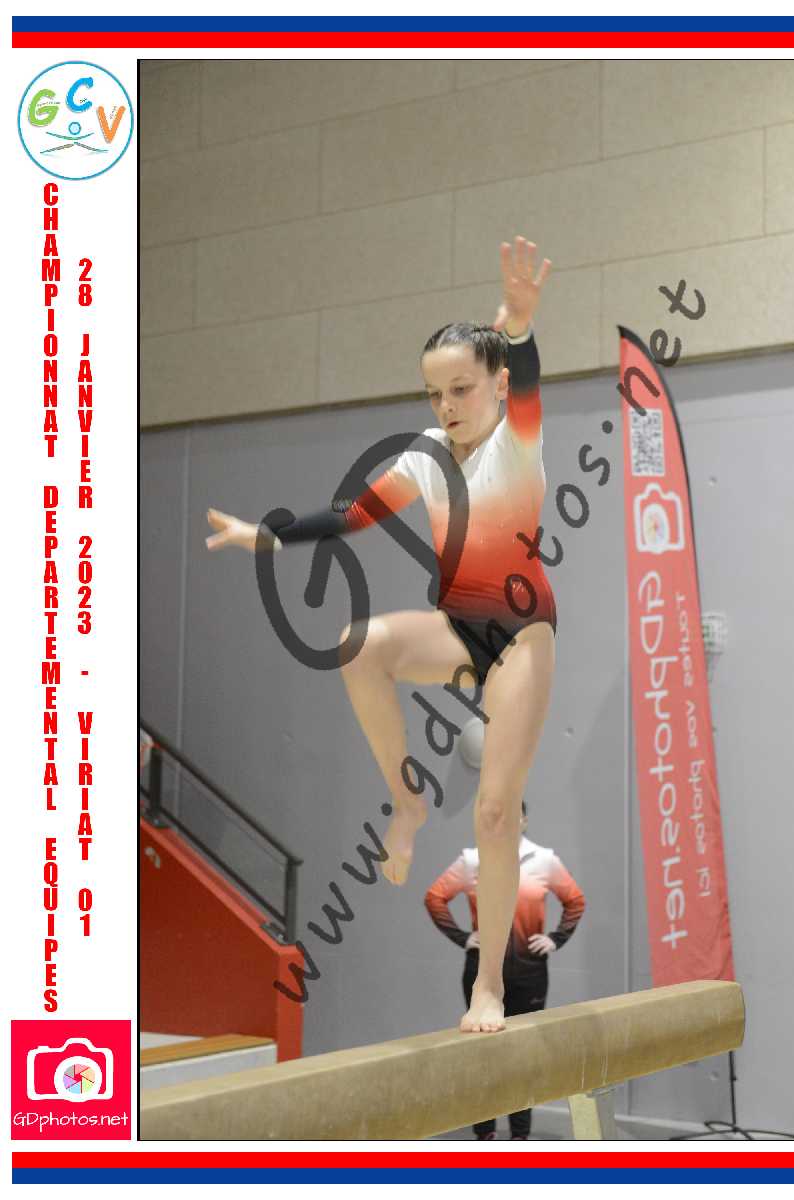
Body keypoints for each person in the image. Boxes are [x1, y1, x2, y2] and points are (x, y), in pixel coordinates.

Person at [206, 237, 556, 1033]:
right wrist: (267, 534)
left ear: (499, 386)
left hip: (522, 637)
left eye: (461, 388)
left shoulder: (519, 438)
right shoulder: (426, 454)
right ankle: (406, 803)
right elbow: (353, 516)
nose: (446, 406)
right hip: (458, 627)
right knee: (358, 642)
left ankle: (490, 985)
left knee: (495, 814)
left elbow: (530, 375)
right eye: (434, 393)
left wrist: (521, 324)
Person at [424, 803, 585, 1138]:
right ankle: (485, 1135)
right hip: (482, 973)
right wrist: (463, 937)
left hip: (529, 973)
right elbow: (435, 897)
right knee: (483, 1055)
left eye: (512, 816)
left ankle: (520, 1136)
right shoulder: (472, 860)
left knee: (522, 1055)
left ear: (524, 820)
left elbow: (575, 900)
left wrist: (555, 939)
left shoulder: (544, 860)